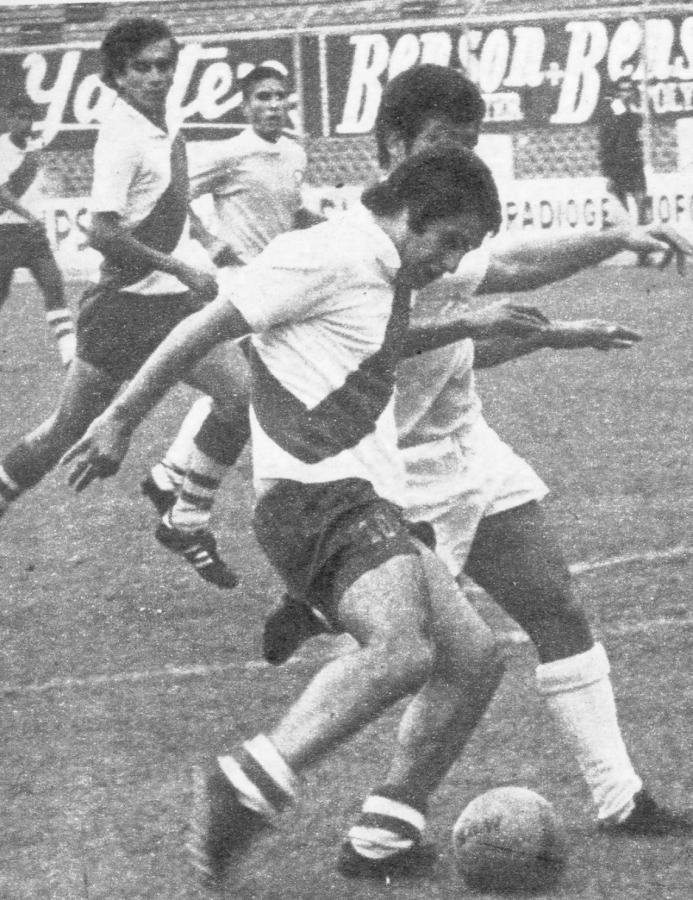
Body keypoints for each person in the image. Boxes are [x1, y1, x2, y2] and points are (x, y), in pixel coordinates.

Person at [62, 145, 555, 888]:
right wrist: (122, 419)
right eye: (447, 240)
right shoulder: (321, 254)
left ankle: (383, 834)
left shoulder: (379, 268)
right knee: (402, 650)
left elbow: (369, 344)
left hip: (362, 498)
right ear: (406, 214)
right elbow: (203, 327)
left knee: (473, 658)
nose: (449, 262)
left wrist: (470, 321)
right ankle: (248, 780)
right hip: (314, 500)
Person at [262, 65, 691, 863]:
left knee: (555, 607)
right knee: (440, 660)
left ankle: (620, 797)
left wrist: (606, 249)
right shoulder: (356, 246)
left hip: (469, 450)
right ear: (392, 146)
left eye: (469, 144)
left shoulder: (446, 226)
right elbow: (378, 355)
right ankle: (381, 825)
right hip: (398, 473)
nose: (461, 160)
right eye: (441, 144)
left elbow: (507, 278)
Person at [0, 18, 248, 529]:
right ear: (117, 75)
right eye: (142, 68)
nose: (156, 76)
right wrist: (179, 264)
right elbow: (102, 232)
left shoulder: (164, 118)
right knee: (65, 430)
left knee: (241, 396)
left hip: (176, 303)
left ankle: (182, 510)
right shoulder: (121, 136)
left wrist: (201, 236)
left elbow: (172, 196)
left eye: (164, 65)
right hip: (124, 307)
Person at [141, 64, 322, 587]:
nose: (272, 105)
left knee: (244, 391)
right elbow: (173, 196)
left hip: (285, 288)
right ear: (245, 106)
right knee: (253, 395)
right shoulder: (229, 151)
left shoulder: (292, 152)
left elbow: (287, 212)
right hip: (240, 289)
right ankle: (184, 504)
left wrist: (321, 227)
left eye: (279, 96)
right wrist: (206, 238)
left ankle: (171, 478)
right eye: (262, 97)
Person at [0, 96, 76, 368]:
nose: (24, 122)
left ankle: (70, 354)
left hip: (32, 235)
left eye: (28, 117)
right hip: (5, 233)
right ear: (8, 119)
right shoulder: (1, 149)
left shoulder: (34, 147)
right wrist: (29, 214)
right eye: (18, 117)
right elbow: (1, 194)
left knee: (54, 283)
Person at [597, 76, 650, 263]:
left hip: (634, 164)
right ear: (617, 92)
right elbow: (606, 141)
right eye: (622, 90)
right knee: (622, 212)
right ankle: (603, 250)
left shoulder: (635, 109)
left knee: (642, 205)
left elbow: (637, 130)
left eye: (629, 90)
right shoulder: (613, 110)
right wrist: (608, 171)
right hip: (618, 165)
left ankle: (644, 253)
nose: (626, 93)